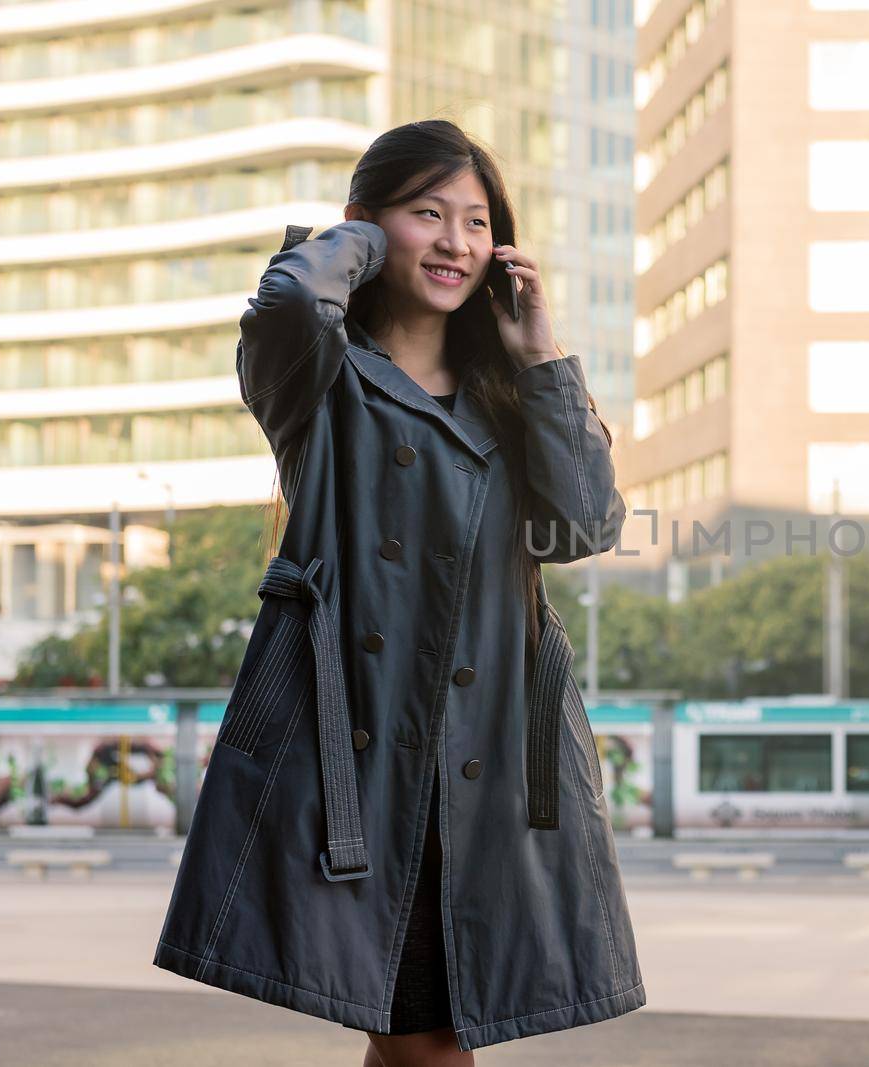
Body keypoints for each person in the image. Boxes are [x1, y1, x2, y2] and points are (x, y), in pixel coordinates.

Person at [152, 120, 644, 1066]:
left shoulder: (509, 394)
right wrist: (364, 239)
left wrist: (539, 349)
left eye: (476, 220)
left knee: (422, 1034)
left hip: (489, 763)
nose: (457, 241)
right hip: (367, 753)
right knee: (423, 1039)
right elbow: (293, 296)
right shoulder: (324, 375)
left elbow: (587, 523)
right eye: (429, 214)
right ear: (368, 226)